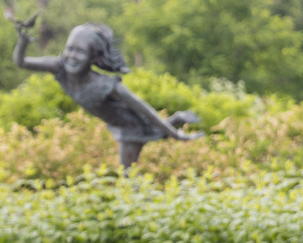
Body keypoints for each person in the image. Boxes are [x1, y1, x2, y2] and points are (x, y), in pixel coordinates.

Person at [11, 17, 198, 166]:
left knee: (128, 176)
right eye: (70, 49)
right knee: (139, 155)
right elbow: (21, 62)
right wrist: (23, 42)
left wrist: (176, 135)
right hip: (120, 124)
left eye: (80, 52)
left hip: (129, 128)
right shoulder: (59, 67)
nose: (72, 56)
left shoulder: (107, 86)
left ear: (94, 57)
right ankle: (177, 119)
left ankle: (175, 124)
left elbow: (144, 109)